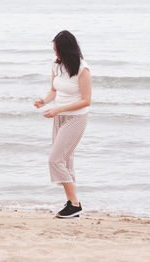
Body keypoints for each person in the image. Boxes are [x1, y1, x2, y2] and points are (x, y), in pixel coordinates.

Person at [33, 30, 92, 218]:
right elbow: (53, 90)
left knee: (55, 159)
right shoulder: (55, 65)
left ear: (67, 50)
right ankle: (72, 204)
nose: (55, 54)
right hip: (60, 117)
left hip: (76, 118)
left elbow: (86, 100)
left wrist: (58, 109)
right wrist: (44, 100)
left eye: (58, 51)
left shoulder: (83, 69)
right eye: (54, 50)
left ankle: (75, 204)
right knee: (65, 160)